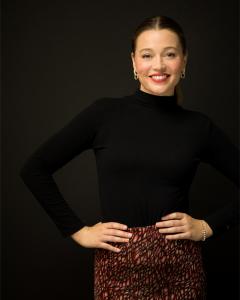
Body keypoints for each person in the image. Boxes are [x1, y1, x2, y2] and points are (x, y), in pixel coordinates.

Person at [20, 15, 239, 299]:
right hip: (117, 268)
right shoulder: (104, 115)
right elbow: (34, 169)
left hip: (181, 269)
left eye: (169, 54)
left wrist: (207, 227)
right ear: (134, 62)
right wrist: (78, 231)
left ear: (184, 61)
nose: (158, 65)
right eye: (147, 55)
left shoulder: (199, 127)